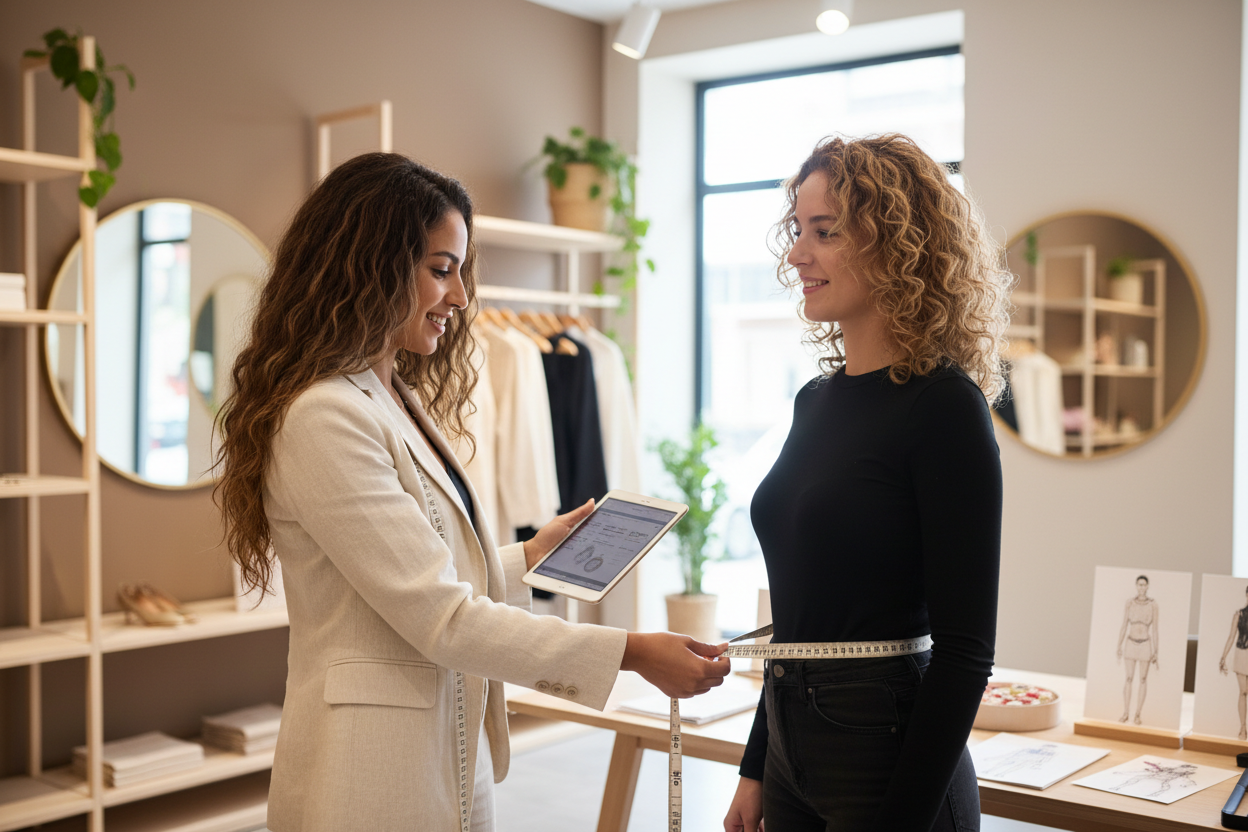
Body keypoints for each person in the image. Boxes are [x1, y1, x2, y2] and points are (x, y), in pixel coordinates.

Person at [213, 152, 730, 832]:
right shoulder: (325, 416)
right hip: (371, 772)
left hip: (447, 747)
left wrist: (531, 554)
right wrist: (631, 652)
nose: (459, 297)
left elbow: (424, 574)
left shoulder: (390, 395)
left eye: (460, 272)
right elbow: (440, 615)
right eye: (440, 269)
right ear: (370, 264)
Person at [722, 134, 1009, 832]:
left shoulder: (944, 408)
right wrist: (757, 765)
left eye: (825, 232)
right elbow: (799, 621)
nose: (797, 254)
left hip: (891, 757)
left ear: (898, 245)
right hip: (792, 744)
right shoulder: (814, 402)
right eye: (798, 230)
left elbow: (966, 652)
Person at [1116, 574, 1158, 725]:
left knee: (1143, 679)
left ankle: (1138, 714)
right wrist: (1119, 645)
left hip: (1145, 644)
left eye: (1144, 585)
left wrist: (1156, 651)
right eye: (1139, 585)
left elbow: (1155, 630)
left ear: (1147, 587)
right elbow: (1124, 624)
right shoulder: (1130, 603)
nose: (1142, 587)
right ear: (1136, 586)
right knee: (1128, 678)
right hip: (1131, 643)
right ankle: (1126, 712)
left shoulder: (1153, 604)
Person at [1217, 585, 1248, 740]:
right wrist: (1223, 656)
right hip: (1242, 653)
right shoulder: (1239, 614)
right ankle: (1243, 727)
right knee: (1243, 691)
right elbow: (1231, 636)